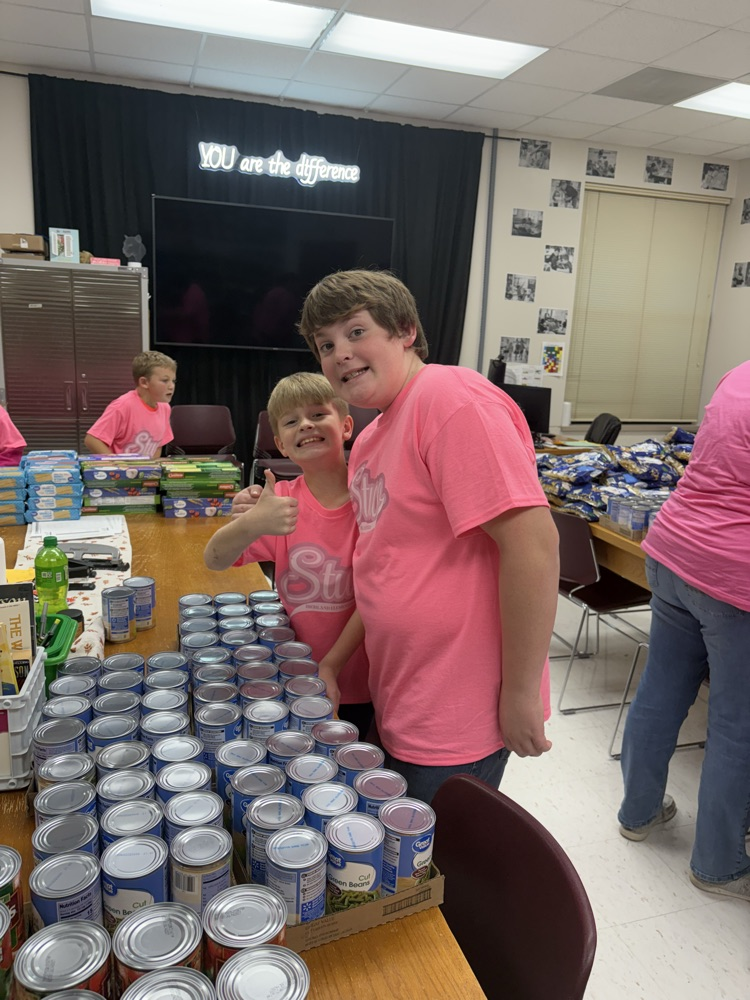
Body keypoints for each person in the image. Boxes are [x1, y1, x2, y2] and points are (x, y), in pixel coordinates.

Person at [299, 269, 559, 804]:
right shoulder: (371, 438)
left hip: (458, 708)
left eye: (355, 332)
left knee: (431, 869)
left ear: (405, 331)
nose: (340, 353)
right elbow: (384, 571)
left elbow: (532, 546)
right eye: (325, 345)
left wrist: (518, 692)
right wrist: (332, 663)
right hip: (403, 694)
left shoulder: (449, 399)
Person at [618, 361, 750, 901]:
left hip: (674, 549)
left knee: (661, 691)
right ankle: (718, 865)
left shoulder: (739, 374)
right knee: (736, 726)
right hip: (732, 573)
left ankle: (638, 812)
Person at [203, 372, 372, 733]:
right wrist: (250, 523)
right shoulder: (279, 504)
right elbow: (213, 560)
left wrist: (331, 666)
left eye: (317, 415)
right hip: (293, 674)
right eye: (292, 421)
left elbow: (375, 598)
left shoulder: (370, 500)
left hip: (363, 680)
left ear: (345, 426)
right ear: (281, 443)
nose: (306, 425)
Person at [84, 351, 176, 458]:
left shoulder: (165, 408)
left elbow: (158, 445)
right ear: (144, 383)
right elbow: (92, 440)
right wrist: (116, 465)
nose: (171, 386)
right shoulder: (122, 406)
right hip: (121, 472)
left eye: (173, 381)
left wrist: (153, 468)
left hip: (145, 472)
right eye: (165, 381)